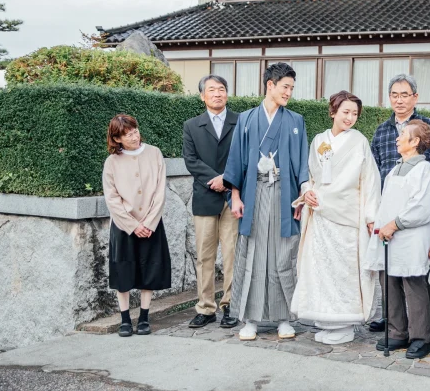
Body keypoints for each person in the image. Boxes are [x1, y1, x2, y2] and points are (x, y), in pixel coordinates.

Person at [223, 62, 309, 341]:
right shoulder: (247, 119)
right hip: (255, 190)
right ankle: (251, 318)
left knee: (284, 252)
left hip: (285, 193)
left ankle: (284, 317)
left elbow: (302, 162)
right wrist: (235, 196)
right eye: (285, 87)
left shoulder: (295, 121)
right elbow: (235, 159)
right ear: (270, 85)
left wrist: (301, 197)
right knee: (254, 253)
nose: (289, 93)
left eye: (292, 89)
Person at [290, 91, 381, 345]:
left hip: (347, 215)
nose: (350, 118)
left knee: (345, 270)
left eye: (354, 113)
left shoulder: (359, 141)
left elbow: (370, 181)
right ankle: (324, 318)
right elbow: (309, 174)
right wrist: (307, 192)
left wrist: (371, 215)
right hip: (320, 215)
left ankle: (344, 321)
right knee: (321, 268)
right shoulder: (319, 140)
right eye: (345, 112)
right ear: (333, 112)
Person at [368, 73, 430, 332]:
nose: (399, 100)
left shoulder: (429, 126)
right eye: (394, 94)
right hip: (388, 209)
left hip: (419, 209)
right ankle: (395, 323)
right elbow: (373, 172)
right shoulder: (382, 131)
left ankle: (419, 328)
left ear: (415, 97)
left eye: (405, 94)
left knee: (415, 275)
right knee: (389, 271)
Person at [365, 120, 430, 359]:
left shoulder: (426, 171)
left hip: (410, 237)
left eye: (403, 135)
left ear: (415, 142)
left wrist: (395, 224)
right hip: (388, 236)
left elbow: (422, 208)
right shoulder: (395, 168)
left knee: (413, 285)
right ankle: (397, 332)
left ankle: (420, 337)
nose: (397, 139)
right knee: (389, 283)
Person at [102, 114, 172, 337]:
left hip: (151, 224)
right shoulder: (112, 162)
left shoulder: (154, 153)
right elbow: (111, 198)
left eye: (135, 130)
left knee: (149, 269)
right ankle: (124, 319)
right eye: (128, 133)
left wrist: (149, 222)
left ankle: (144, 317)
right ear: (117, 138)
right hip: (123, 227)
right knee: (123, 270)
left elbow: (160, 190)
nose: (134, 135)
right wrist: (132, 225)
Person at [183, 75, 239, 329]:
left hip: (232, 196)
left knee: (232, 253)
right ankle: (205, 308)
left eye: (222, 89)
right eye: (212, 90)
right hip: (205, 196)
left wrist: (226, 180)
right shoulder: (192, 126)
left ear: (227, 94)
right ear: (202, 96)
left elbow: (244, 156)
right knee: (204, 256)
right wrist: (214, 179)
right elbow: (191, 160)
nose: (217, 94)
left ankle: (230, 305)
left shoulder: (240, 122)